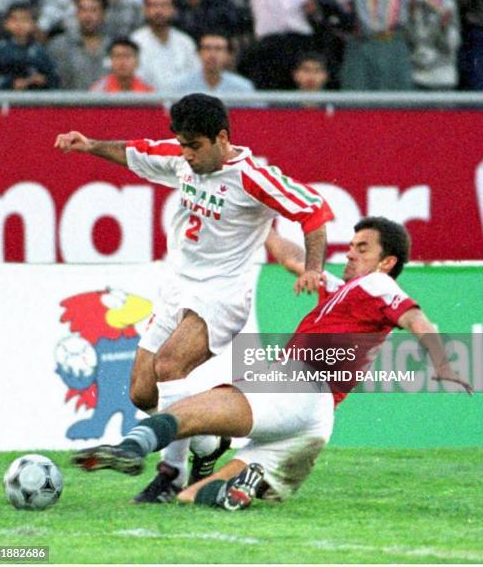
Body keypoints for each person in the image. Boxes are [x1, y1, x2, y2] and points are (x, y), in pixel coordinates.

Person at [71, 217, 472, 511]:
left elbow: (417, 319)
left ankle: (130, 448)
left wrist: (442, 360)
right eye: (351, 244)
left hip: (295, 384)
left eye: (362, 248)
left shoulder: (380, 284)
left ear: (387, 263)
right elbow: (296, 260)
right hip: (315, 423)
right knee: (193, 499)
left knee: (188, 413)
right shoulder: (346, 290)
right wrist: (263, 227)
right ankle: (239, 483)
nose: (350, 252)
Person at [55, 93, 334, 503]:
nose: (185, 155)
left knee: (169, 366)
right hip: (176, 288)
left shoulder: (254, 177)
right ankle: (205, 445)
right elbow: (137, 153)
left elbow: (314, 210)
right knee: (141, 393)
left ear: (222, 137)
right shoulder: (182, 158)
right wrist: (90, 145)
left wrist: (313, 267)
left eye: (194, 146)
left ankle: (171, 473)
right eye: (182, 145)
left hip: (222, 295)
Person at [339, 0, 446, 90]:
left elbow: (438, 4)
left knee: (396, 101)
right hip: (361, 42)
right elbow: (343, 6)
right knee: (356, 99)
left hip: (394, 42)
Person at [130, 0, 199, 91]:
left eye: (164, 5)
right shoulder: (135, 41)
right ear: (145, 10)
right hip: (146, 103)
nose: (159, 11)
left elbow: (195, 77)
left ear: (173, 9)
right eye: (154, 5)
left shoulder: (185, 42)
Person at [408, 0, 461, 90]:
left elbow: (452, 44)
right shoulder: (408, 2)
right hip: (414, 77)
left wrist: (442, 27)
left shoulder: (448, 3)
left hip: (443, 77)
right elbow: (410, 40)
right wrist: (412, 15)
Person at [0, 3, 59, 90]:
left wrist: (42, 80)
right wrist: (10, 83)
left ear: (33, 24)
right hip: (5, 99)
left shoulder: (40, 52)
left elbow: (53, 77)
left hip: (35, 100)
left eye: (24, 19)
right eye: (14, 19)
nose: (19, 24)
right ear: (6, 23)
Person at [48, 0, 111, 90]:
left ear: (104, 14)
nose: (87, 16)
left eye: (93, 10)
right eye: (83, 10)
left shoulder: (113, 46)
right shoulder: (59, 45)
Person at [171, 32, 255, 95]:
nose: (212, 54)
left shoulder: (243, 87)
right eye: (207, 48)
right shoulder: (180, 86)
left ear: (228, 55)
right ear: (199, 53)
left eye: (218, 49)